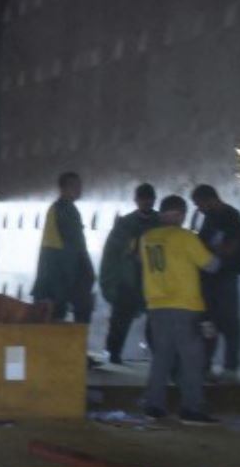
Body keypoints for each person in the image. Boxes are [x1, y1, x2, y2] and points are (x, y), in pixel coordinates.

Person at [139, 195, 220, 425]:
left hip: (156, 306)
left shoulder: (147, 238)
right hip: (185, 306)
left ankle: (153, 406)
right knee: (192, 359)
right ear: (182, 215)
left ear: (162, 214)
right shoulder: (185, 237)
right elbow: (211, 265)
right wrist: (219, 252)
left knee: (161, 358)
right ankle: (191, 409)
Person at [190, 184, 240, 380]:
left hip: (224, 278)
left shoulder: (230, 216)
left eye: (199, 204)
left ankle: (230, 367)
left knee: (228, 323)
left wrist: (209, 256)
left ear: (210, 199)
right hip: (211, 278)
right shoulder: (211, 217)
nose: (198, 209)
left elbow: (229, 247)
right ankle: (206, 365)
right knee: (209, 323)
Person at [98, 183, 160, 365]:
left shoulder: (159, 222)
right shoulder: (125, 224)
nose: (146, 203)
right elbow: (112, 255)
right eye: (143, 199)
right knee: (120, 321)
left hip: (153, 281)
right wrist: (110, 282)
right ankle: (112, 353)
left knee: (155, 323)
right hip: (129, 280)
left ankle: (161, 358)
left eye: (149, 199)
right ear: (137, 200)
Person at [31, 172, 95, 323]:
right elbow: (76, 247)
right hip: (59, 278)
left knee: (53, 323)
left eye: (80, 185)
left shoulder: (57, 208)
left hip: (52, 279)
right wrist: (88, 273)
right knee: (79, 314)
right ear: (64, 188)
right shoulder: (66, 210)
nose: (80, 189)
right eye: (76, 185)